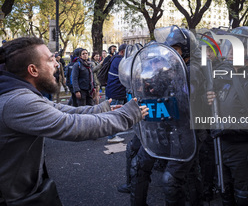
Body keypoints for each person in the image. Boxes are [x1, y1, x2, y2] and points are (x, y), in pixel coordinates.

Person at [0, 37, 148, 205]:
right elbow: (72, 125)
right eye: (50, 60)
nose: (57, 64)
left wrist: (102, 109)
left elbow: (64, 110)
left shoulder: (20, 93)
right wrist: (127, 115)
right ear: (33, 70)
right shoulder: (17, 101)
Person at [130, 27, 208, 206]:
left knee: (172, 180)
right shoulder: (172, 68)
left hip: (189, 130)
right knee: (138, 166)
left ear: (186, 49)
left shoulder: (193, 70)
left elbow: (184, 102)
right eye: (170, 48)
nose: (172, 52)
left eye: (176, 48)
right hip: (168, 126)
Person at [207, 26, 248, 206]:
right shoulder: (230, 75)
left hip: (245, 151)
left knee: (245, 197)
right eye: (229, 45)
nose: (229, 51)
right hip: (224, 146)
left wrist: (227, 126)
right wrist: (212, 101)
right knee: (226, 194)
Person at [106, 43, 127, 143]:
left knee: (112, 114)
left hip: (112, 90)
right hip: (116, 92)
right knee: (115, 115)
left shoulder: (115, 59)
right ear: (122, 52)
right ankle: (112, 136)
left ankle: (112, 135)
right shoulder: (121, 61)